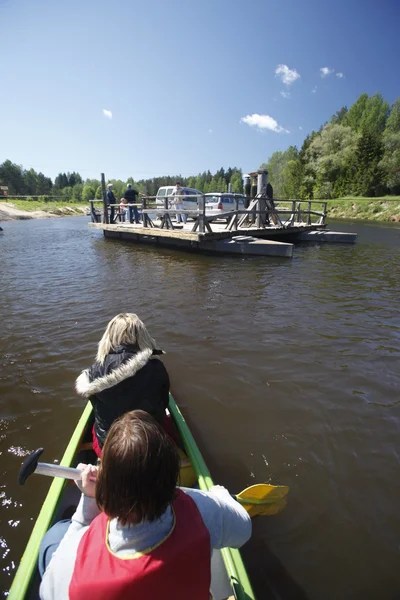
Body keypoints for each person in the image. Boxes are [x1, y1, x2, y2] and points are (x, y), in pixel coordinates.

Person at [39, 410, 252, 600]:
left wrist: (89, 504)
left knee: (53, 536)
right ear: (171, 475)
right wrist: (219, 494)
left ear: (108, 487)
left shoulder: (75, 561)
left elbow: (46, 592)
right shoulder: (203, 509)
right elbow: (244, 530)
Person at [75, 313, 170, 456]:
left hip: (109, 447)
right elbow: (164, 403)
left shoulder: (94, 372)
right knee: (166, 423)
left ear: (109, 337)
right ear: (142, 335)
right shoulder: (156, 367)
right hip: (148, 443)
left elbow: (96, 408)